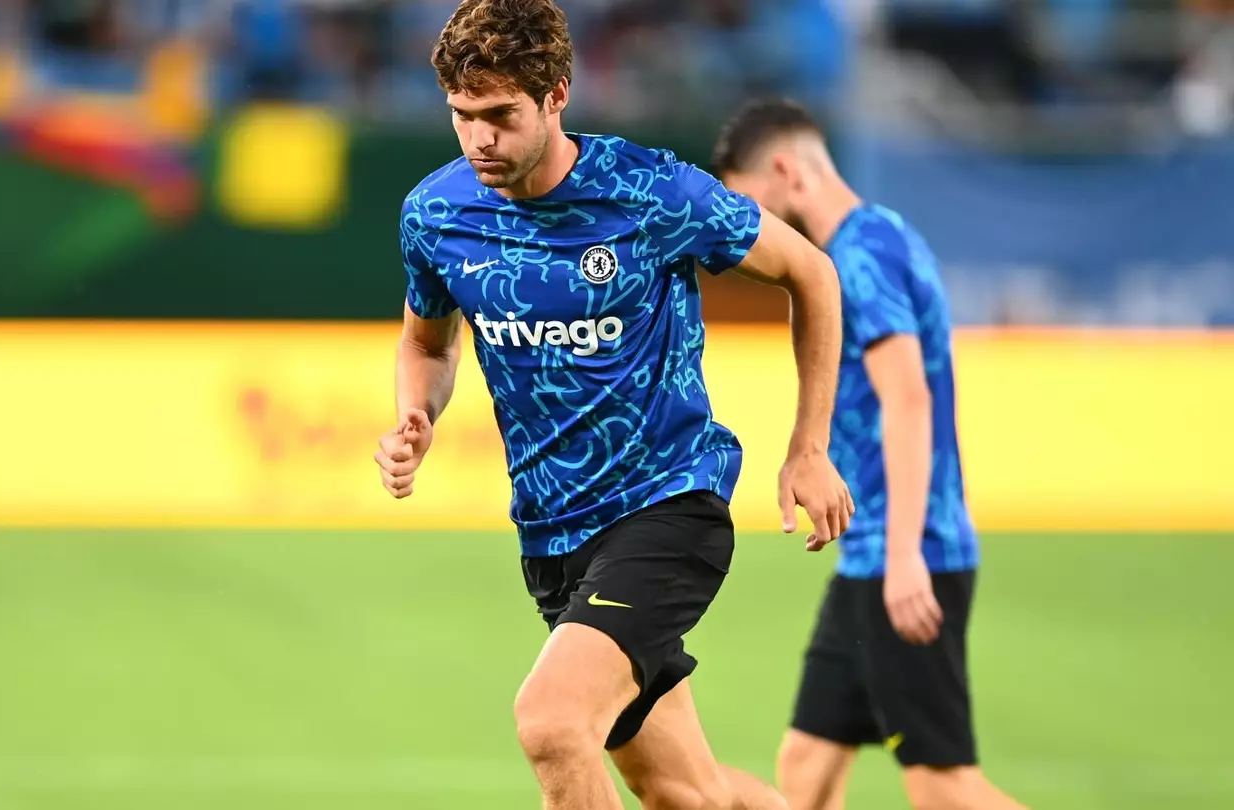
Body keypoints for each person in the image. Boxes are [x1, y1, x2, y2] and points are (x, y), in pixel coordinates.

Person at [371, 3, 855, 809]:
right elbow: (426, 343)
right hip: (552, 535)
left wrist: (808, 447)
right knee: (686, 794)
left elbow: (811, 272)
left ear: (557, 95)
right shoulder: (437, 214)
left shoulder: (651, 193)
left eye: (501, 116)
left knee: (552, 723)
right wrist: (415, 416)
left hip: (667, 509)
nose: (480, 139)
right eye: (463, 116)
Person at [712, 98, 1029, 810]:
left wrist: (906, 551)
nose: (746, 228)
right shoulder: (879, 236)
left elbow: (908, 398)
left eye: (748, 202)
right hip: (872, 557)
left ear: (787, 171)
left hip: (908, 555)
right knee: (807, 766)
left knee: (942, 787)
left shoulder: (859, 257)